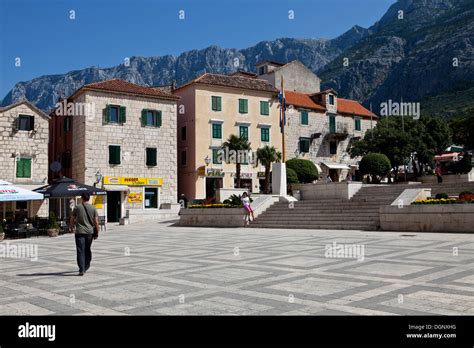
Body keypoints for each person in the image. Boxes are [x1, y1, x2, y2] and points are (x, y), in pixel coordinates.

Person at [70, 193, 99, 276]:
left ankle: (81, 269)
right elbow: (96, 222)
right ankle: (86, 265)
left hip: (79, 232)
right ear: (89, 199)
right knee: (87, 249)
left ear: (82, 198)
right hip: (90, 233)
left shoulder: (77, 207)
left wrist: (71, 227)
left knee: (80, 250)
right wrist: (97, 232)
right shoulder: (93, 208)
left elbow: (72, 219)